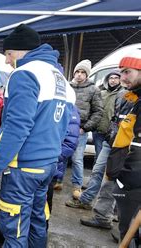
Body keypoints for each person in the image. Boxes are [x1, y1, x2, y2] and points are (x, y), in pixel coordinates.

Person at [0, 24, 76, 247]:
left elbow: (16, 127)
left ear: (22, 50)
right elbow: (63, 128)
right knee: (37, 221)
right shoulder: (61, 79)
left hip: (22, 168)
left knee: (14, 228)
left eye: (8, 54)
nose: (6, 60)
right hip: (48, 165)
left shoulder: (24, 74)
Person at [0, 106, 80, 244]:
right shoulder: (63, 95)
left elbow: (16, 128)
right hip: (43, 167)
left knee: (16, 226)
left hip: (28, 168)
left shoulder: (36, 90)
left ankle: (3, 234)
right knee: (34, 218)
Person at [78, 86, 133, 230]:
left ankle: (110, 218)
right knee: (98, 172)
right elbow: (115, 119)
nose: (123, 77)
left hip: (124, 148)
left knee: (113, 182)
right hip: (111, 142)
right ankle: (94, 207)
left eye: (128, 72)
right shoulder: (124, 94)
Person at [65, 70, 123, 207]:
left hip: (114, 137)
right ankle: (87, 200)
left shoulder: (121, 94)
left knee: (102, 169)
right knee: (98, 168)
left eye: (117, 77)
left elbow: (99, 112)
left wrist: (85, 127)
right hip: (103, 133)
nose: (113, 80)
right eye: (111, 77)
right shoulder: (103, 92)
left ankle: (111, 209)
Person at [109, 53, 141, 246]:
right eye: (121, 73)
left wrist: (124, 178)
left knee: (130, 228)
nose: (122, 77)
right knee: (126, 225)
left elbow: (138, 147)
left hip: (132, 182)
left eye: (127, 72)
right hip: (127, 178)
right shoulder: (134, 99)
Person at [69, 59, 103, 199]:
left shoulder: (93, 89)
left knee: (77, 158)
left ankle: (77, 186)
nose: (79, 74)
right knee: (60, 156)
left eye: (83, 72)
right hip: (64, 127)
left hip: (80, 129)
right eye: (77, 71)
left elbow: (98, 111)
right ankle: (57, 181)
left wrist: (85, 127)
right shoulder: (67, 86)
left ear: (87, 75)